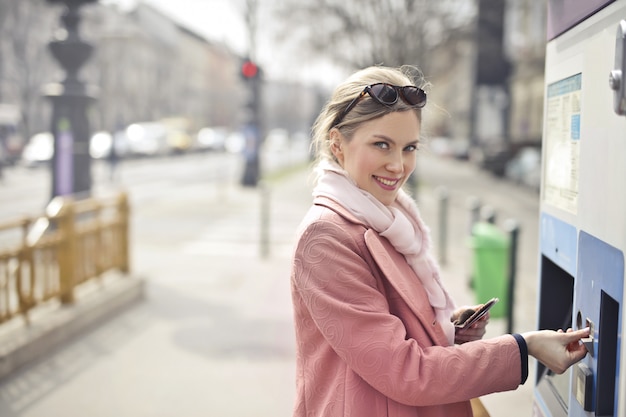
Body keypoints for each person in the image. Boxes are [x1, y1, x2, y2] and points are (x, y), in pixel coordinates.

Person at [289, 65, 589, 417]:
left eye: (409, 147)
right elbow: (404, 370)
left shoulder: (387, 221)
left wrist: (449, 329)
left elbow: (392, 331)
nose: (398, 166)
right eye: (381, 145)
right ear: (337, 144)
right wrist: (524, 349)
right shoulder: (327, 237)